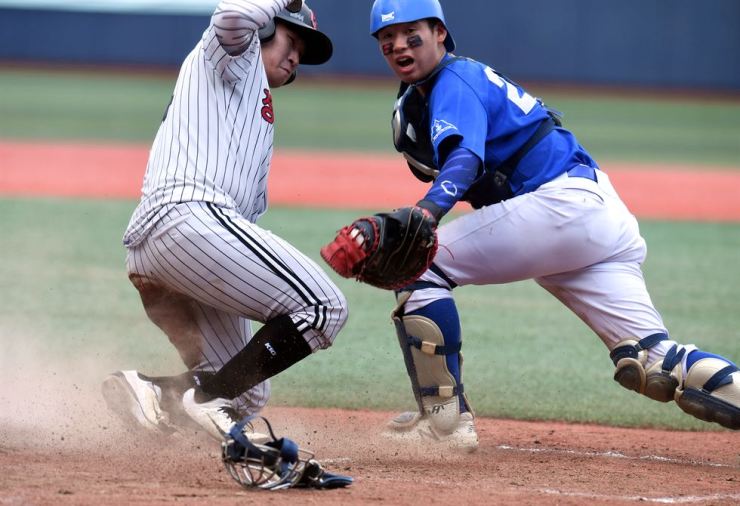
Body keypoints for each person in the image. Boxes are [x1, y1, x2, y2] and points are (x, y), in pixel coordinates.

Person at [347, 0, 738, 450]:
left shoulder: (453, 79)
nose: (398, 45)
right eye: (386, 40)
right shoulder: (443, 86)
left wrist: (428, 211)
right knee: (655, 358)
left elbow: (464, 158)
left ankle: (444, 426)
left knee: (419, 266)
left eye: (410, 34)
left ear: (439, 32)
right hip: (595, 212)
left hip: (560, 205)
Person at [102, 0, 348, 443]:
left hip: (171, 247)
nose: (296, 58)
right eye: (292, 41)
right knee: (324, 307)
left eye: (302, 55)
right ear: (267, 29)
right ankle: (202, 400)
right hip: (185, 219)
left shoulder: (253, 104)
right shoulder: (236, 57)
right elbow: (231, 16)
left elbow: (246, 214)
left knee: (245, 391)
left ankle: (156, 394)